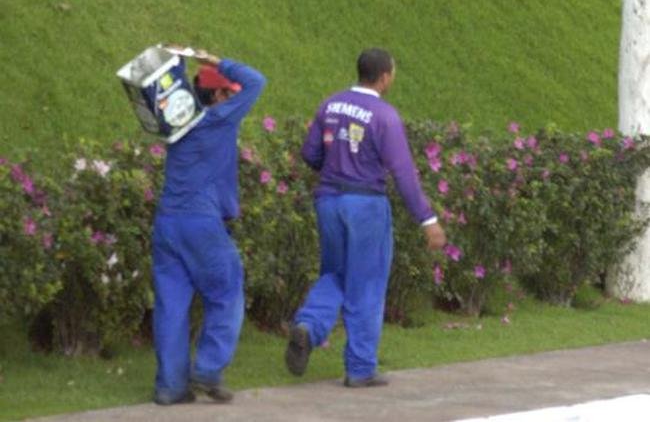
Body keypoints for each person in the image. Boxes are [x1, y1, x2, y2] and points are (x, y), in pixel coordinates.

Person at [285, 47, 445, 387]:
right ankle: (359, 368)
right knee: (367, 283)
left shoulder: (330, 104)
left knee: (336, 273)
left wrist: (333, 169)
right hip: (366, 205)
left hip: (329, 200)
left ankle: (308, 326)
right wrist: (427, 219)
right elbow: (402, 172)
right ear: (385, 76)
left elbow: (310, 152)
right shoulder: (384, 115)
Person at [151, 48, 266, 406]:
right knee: (227, 292)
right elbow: (256, 81)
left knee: (171, 306)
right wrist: (215, 61)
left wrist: (183, 68)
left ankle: (170, 387)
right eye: (228, 92)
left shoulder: (175, 124)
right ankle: (209, 369)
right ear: (217, 96)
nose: (234, 97)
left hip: (167, 223)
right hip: (201, 222)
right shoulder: (218, 120)